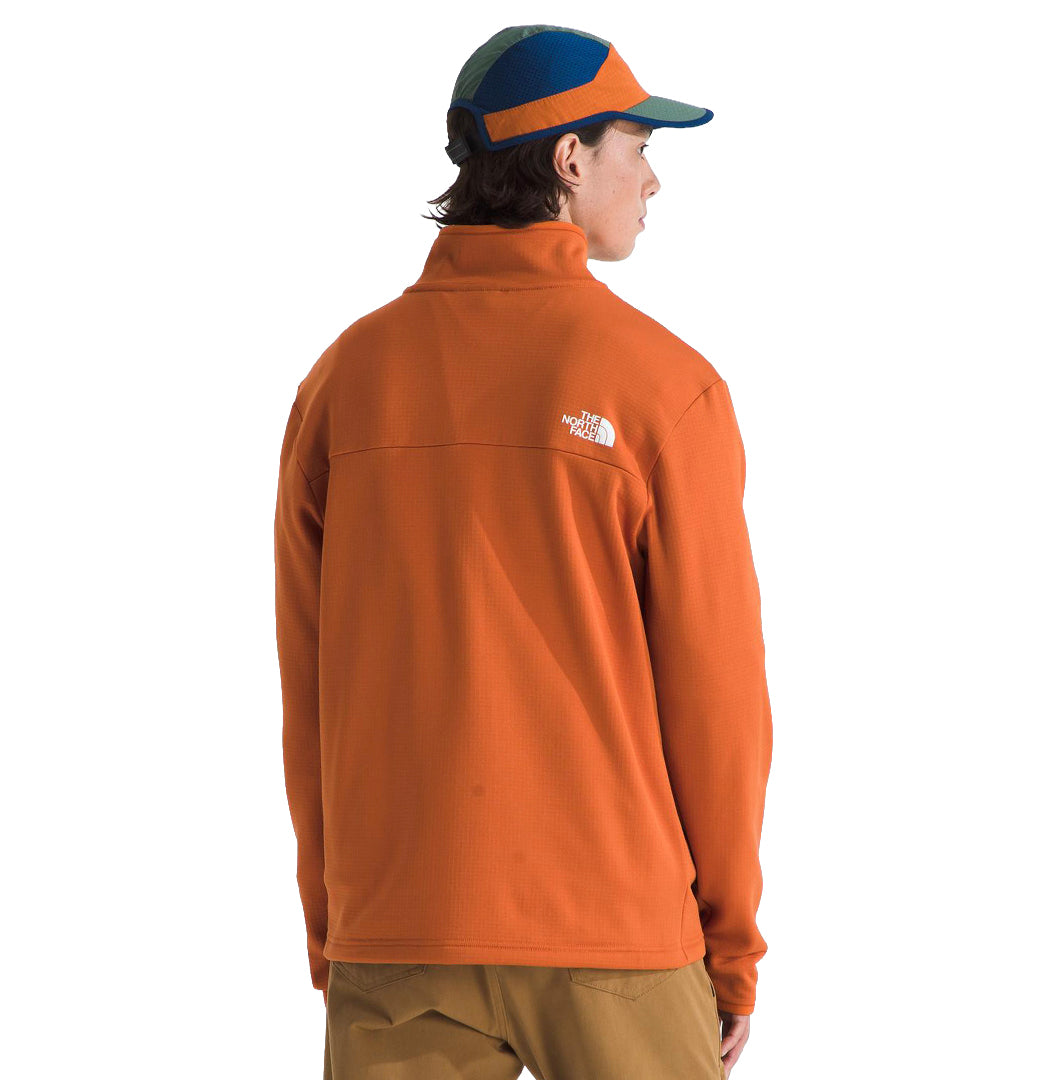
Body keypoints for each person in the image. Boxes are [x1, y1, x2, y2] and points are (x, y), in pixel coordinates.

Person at [274, 24, 773, 1080]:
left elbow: (309, 684)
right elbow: (718, 697)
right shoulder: (664, 387)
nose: (654, 179)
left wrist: (336, 918)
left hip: (397, 929)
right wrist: (731, 948)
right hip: (615, 932)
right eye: (639, 146)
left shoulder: (343, 382)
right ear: (569, 158)